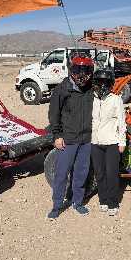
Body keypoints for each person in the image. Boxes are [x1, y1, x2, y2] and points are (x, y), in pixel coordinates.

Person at [47, 53, 95, 219]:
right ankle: (57, 205)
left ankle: (77, 202)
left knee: (81, 173)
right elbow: (54, 115)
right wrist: (57, 135)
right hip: (67, 139)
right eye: (78, 70)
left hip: (86, 139)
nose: (81, 74)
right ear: (71, 70)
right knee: (61, 173)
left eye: (85, 70)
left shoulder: (92, 88)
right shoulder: (62, 89)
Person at [90, 66, 126, 216]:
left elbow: (121, 122)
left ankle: (113, 202)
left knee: (112, 174)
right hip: (95, 141)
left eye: (106, 82)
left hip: (112, 142)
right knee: (99, 173)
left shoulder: (116, 100)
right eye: (100, 82)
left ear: (110, 84)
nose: (102, 85)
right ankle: (103, 200)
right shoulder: (91, 99)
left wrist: (122, 142)